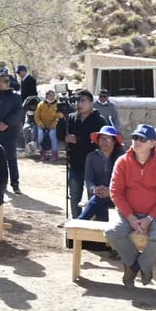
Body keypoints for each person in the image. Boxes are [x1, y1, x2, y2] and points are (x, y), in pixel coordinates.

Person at [106, 124, 156, 287]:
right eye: (135, 137)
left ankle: (136, 266)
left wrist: (150, 218)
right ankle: (141, 265)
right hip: (128, 214)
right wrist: (130, 217)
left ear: (152, 143)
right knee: (112, 233)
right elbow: (115, 192)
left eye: (142, 139)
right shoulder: (122, 161)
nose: (137, 141)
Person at [64, 89, 106, 217]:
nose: (79, 104)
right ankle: (76, 224)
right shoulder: (71, 118)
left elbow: (100, 142)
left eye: (83, 101)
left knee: (93, 197)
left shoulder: (99, 121)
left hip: (93, 166)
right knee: (75, 196)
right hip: (75, 163)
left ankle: (91, 225)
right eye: (77, 101)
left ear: (91, 103)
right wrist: (61, 119)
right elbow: (62, 135)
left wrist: (78, 140)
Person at [0, 72, 23, 194]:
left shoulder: (15, 96)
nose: (6, 83)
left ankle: (15, 183)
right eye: (3, 81)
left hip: (10, 131)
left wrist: (6, 123)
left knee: (11, 158)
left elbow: (18, 112)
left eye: (8, 81)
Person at [78, 125, 123, 221]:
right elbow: (88, 179)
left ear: (114, 141)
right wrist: (95, 189)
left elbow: (126, 181)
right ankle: (79, 224)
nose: (104, 141)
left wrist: (111, 191)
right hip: (98, 195)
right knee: (99, 199)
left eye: (107, 138)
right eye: (102, 138)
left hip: (118, 195)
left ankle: (79, 221)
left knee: (99, 200)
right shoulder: (91, 157)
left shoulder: (122, 158)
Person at [34, 89, 62, 161]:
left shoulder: (58, 104)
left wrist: (53, 125)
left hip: (53, 125)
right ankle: (43, 153)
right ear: (46, 96)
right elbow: (36, 116)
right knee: (40, 135)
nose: (51, 97)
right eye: (49, 95)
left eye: (53, 95)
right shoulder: (41, 104)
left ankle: (54, 154)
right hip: (42, 124)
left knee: (52, 134)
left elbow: (58, 117)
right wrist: (40, 124)